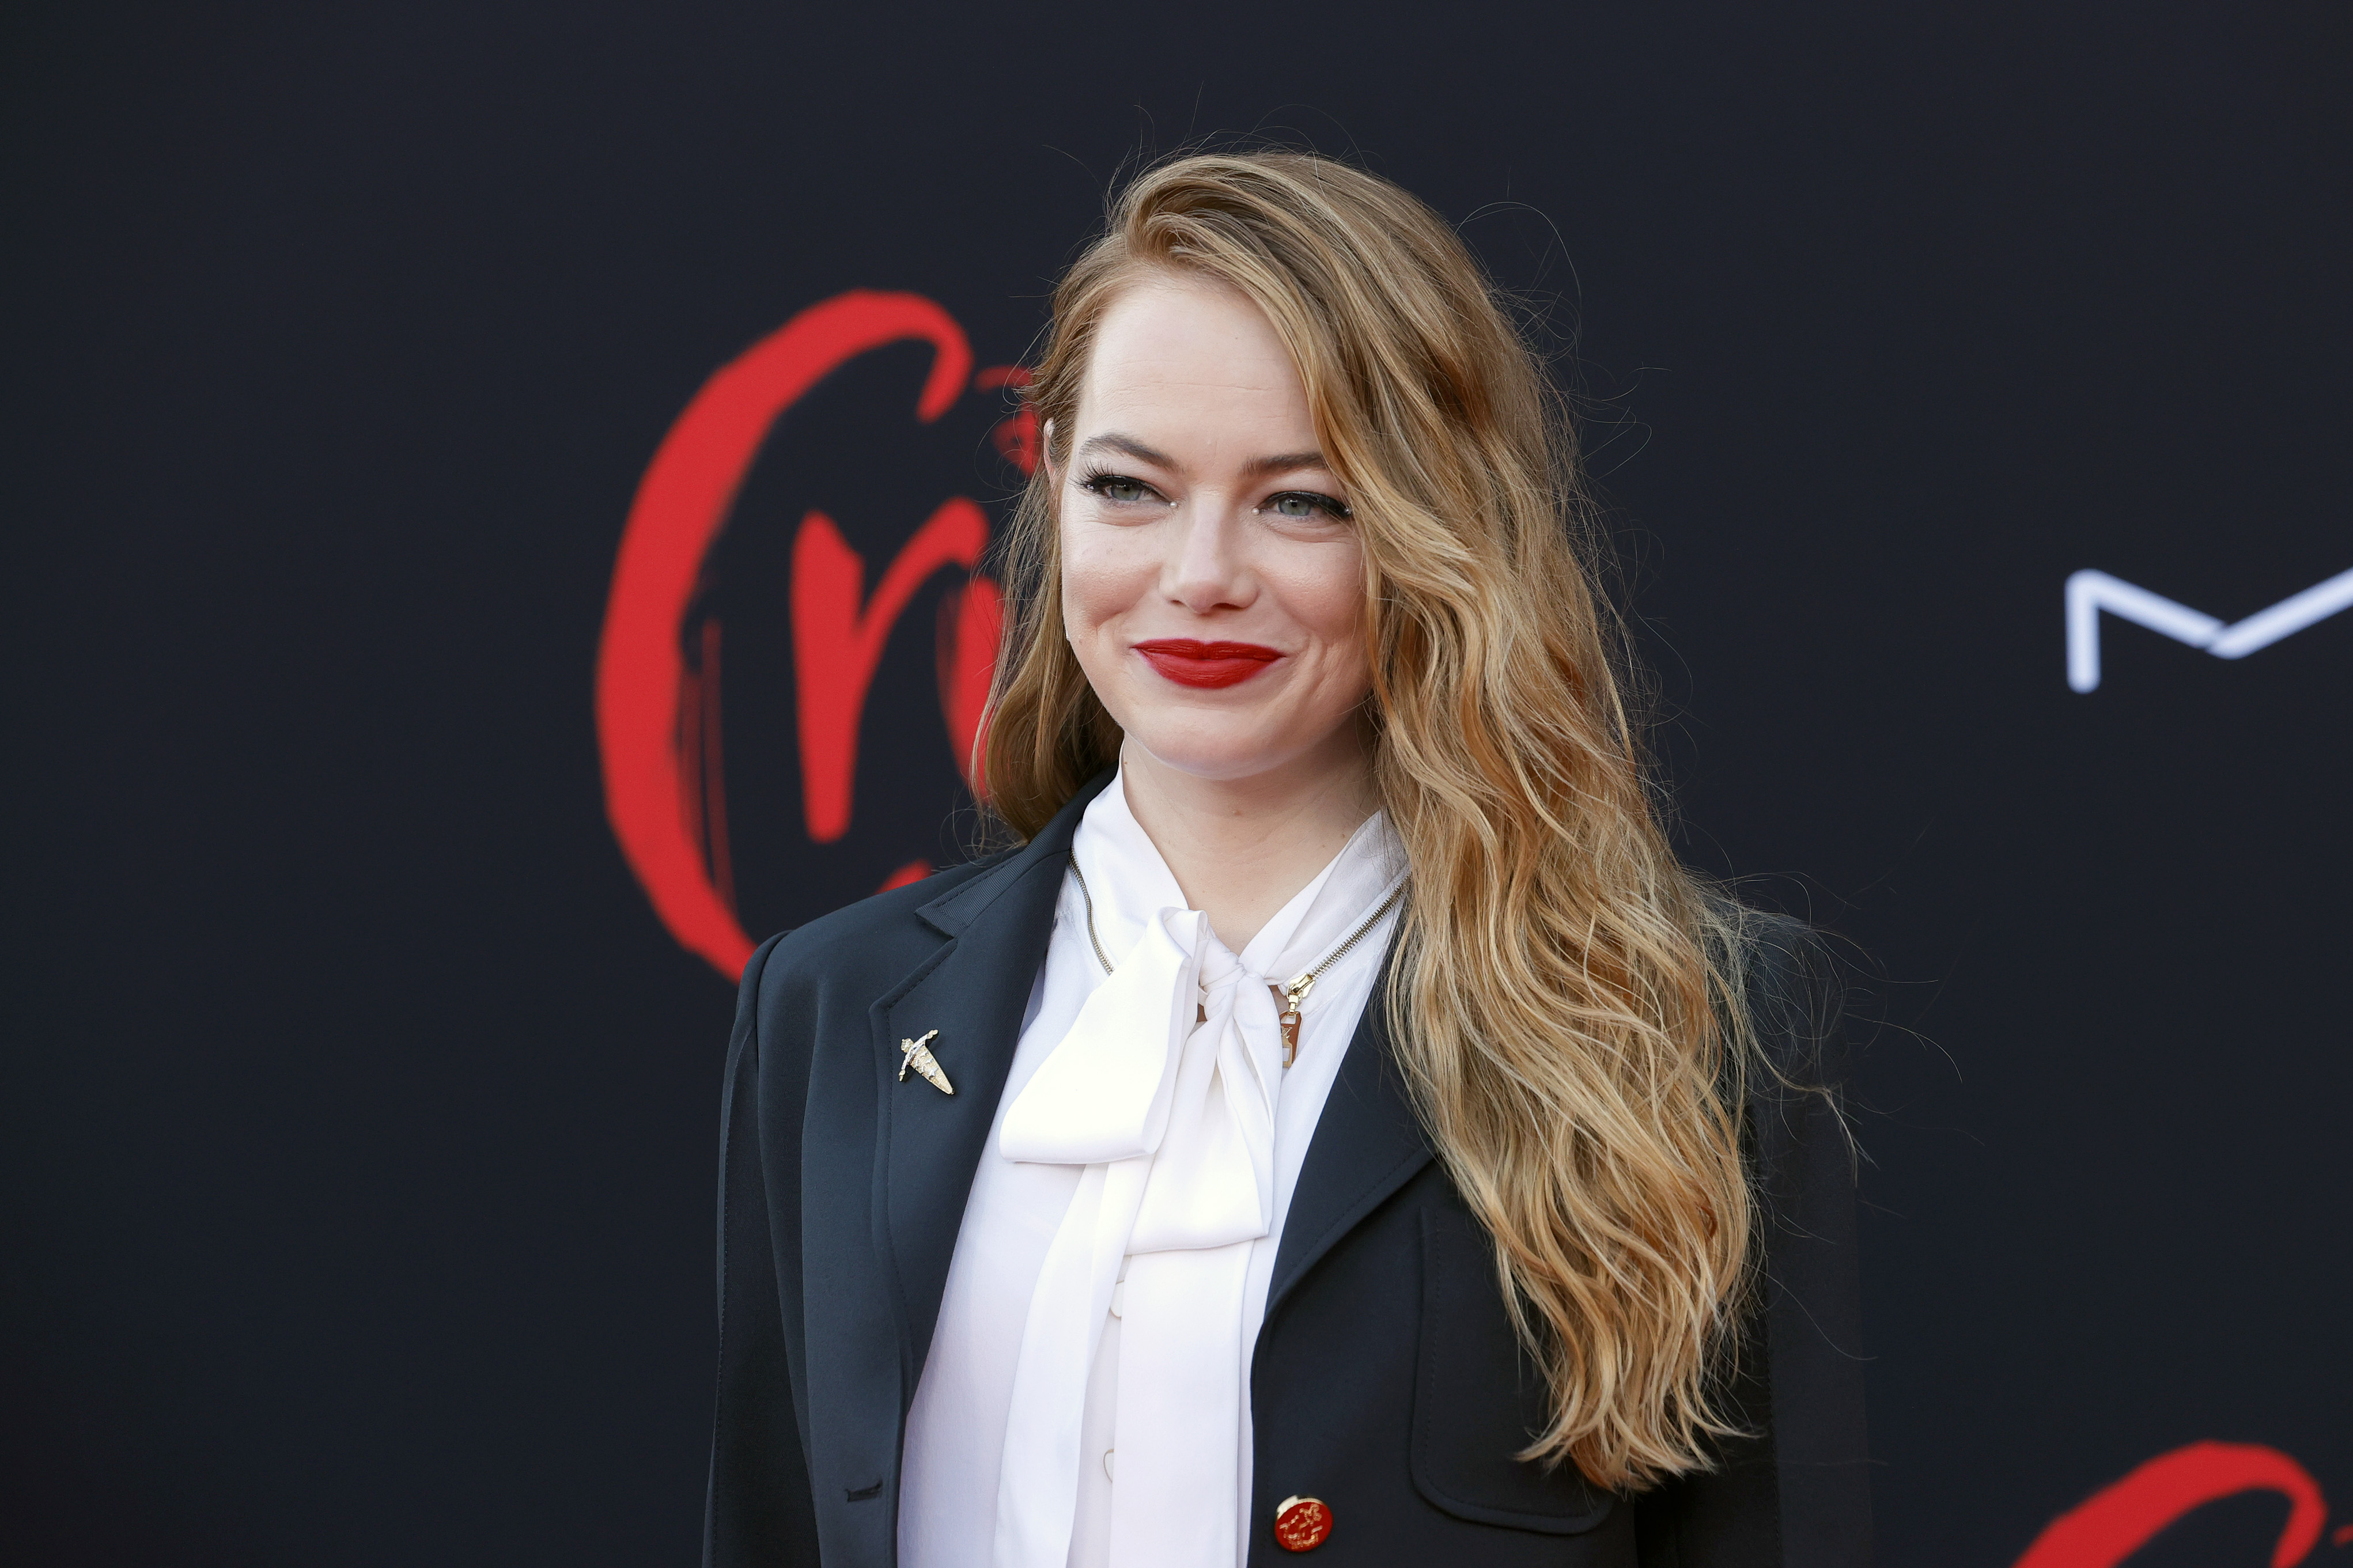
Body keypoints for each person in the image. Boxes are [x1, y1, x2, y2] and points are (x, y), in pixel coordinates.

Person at [703, 150, 1868, 1568]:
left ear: (1436, 526)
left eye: (1300, 500)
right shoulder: (833, 1003)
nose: (1201, 573)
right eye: (1131, 486)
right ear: (1054, 478)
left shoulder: (1688, 1022)